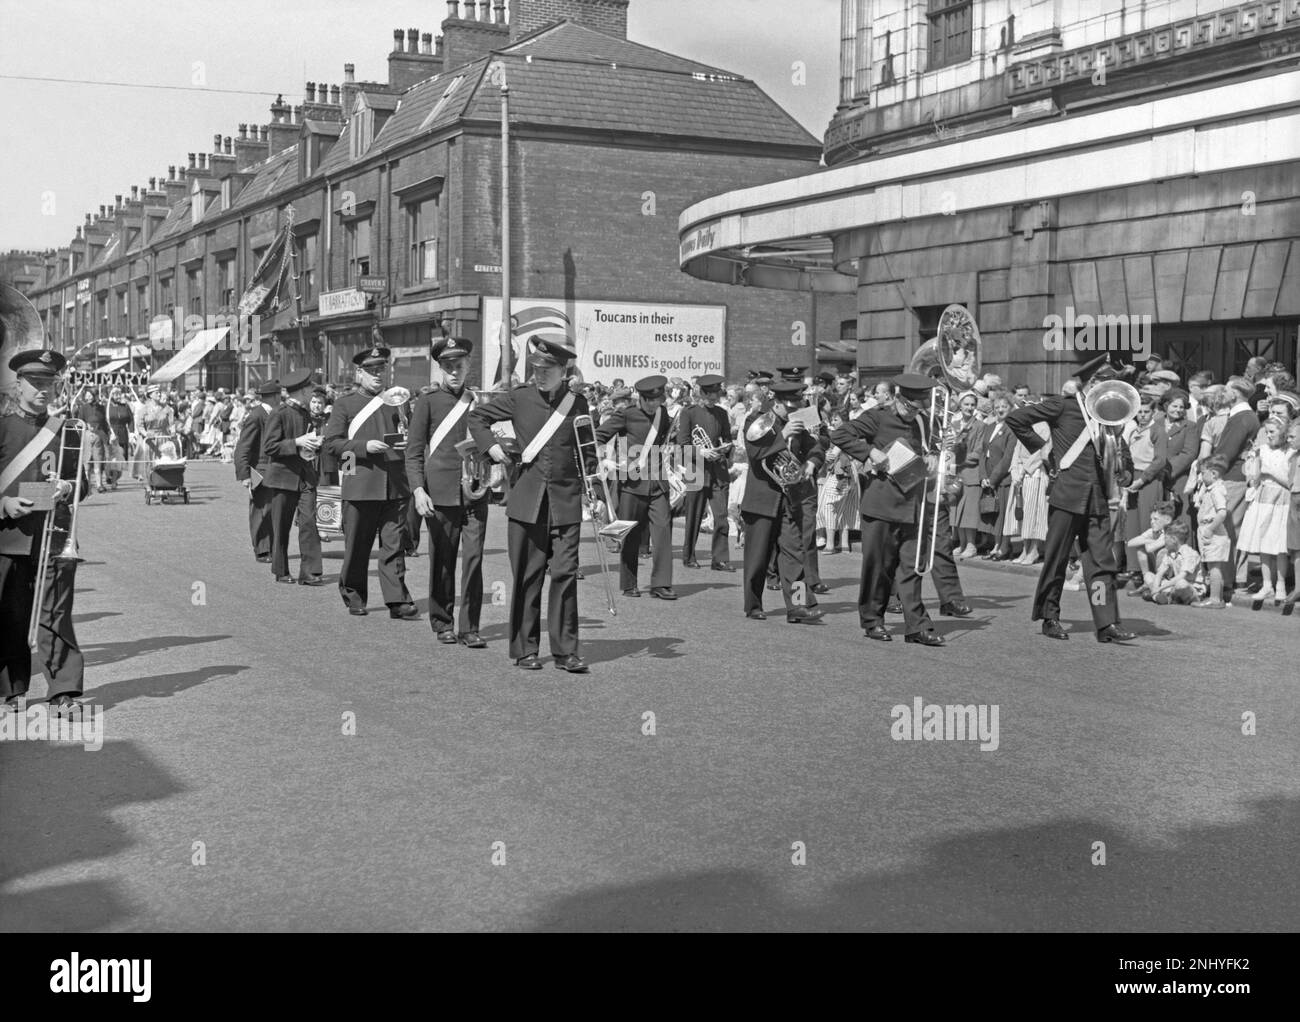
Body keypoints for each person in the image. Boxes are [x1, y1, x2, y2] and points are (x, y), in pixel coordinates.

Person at [468, 338, 591, 672]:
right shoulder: (520, 397)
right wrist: (491, 449)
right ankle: (525, 649)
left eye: (547, 370)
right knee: (527, 576)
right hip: (527, 502)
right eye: (536, 369)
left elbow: (586, 450)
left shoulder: (578, 404)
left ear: (564, 370)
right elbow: (477, 418)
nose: (539, 375)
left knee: (565, 575)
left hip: (565, 503)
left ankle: (566, 651)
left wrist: (593, 484)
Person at [1004, 355, 1137, 643]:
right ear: (1090, 383)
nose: (1107, 389)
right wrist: (1045, 451)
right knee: (1056, 560)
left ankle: (1106, 624)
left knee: (1102, 564)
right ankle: (1049, 616)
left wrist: (1126, 471)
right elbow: (1016, 419)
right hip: (1067, 495)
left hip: (1097, 498)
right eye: (1102, 382)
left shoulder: (1108, 413)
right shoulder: (1063, 406)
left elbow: (1119, 447)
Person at [831, 373, 947, 645]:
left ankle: (916, 626)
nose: (913, 413)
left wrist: (932, 458)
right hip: (881, 504)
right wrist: (870, 452)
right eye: (910, 407)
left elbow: (932, 449)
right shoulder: (877, 416)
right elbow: (840, 434)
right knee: (878, 568)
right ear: (898, 399)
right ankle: (872, 620)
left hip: (911, 504)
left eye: (919, 408)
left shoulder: (921, 421)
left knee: (910, 568)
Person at [0, 350, 85, 713]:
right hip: (9, 535)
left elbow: (80, 483)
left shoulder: (67, 429)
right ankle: (11, 689)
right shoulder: (3, 428)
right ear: (17, 385)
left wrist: (66, 489)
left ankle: (62, 692)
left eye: (49, 383)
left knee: (56, 615)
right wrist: (3, 503)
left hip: (55, 535)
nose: (43, 390)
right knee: (8, 613)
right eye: (35, 383)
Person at [322, 345, 418, 619]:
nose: (378, 375)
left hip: (396, 485)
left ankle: (397, 600)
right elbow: (333, 445)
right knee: (357, 546)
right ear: (359, 373)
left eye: (382, 369)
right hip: (361, 483)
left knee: (393, 546)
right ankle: (354, 594)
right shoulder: (345, 404)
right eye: (372, 370)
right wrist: (364, 447)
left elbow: (408, 435)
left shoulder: (399, 401)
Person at [406, 336, 489, 649]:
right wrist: (417, 490)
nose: (455, 371)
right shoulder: (427, 402)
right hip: (440, 494)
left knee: (474, 560)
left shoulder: (477, 402)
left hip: (475, 491)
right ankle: (443, 621)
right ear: (440, 368)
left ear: (468, 365)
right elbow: (414, 451)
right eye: (448, 366)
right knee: (442, 560)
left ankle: (470, 627)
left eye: (460, 365)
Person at [739, 379, 824, 624]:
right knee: (757, 557)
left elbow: (816, 447)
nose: (794, 410)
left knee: (793, 556)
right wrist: (782, 436)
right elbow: (755, 454)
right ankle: (753, 604)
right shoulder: (755, 421)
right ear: (777, 403)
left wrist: (811, 462)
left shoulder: (797, 422)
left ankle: (797, 606)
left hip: (790, 498)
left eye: (797, 404)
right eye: (790, 405)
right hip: (762, 499)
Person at [595, 374, 676, 600]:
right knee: (629, 535)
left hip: (658, 483)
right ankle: (629, 583)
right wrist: (605, 459)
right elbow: (599, 436)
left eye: (657, 400)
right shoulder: (627, 414)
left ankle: (661, 584)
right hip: (631, 483)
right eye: (649, 401)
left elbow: (664, 440)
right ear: (640, 398)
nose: (653, 405)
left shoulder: (663, 414)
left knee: (663, 531)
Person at [260, 368, 324, 586]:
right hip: (282, 477)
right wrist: (296, 443)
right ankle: (281, 569)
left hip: (305, 476)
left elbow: (305, 444)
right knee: (282, 525)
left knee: (309, 522)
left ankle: (310, 572)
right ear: (302, 391)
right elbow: (269, 446)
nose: (312, 395)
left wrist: (314, 445)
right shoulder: (279, 413)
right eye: (309, 390)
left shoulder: (305, 413)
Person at [676, 373, 734, 571]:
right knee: (693, 515)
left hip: (718, 470)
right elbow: (682, 445)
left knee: (721, 516)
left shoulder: (722, 413)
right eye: (709, 394)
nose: (713, 398)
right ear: (701, 393)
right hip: (696, 469)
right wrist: (701, 451)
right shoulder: (688, 412)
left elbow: (727, 438)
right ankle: (689, 555)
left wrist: (725, 448)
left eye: (716, 394)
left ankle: (720, 559)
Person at [1238, 417, 1295, 607]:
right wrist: (1252, 467)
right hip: (1263, 499)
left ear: (1283, 433)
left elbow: (1290, 481)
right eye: (1267, 431)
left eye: (1273, 432)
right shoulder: (1261, 450)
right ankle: (1267, 583)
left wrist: (1269, 472)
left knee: (1279, 544)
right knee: (1263, 542)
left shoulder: (1291, 453)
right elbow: (1253, 477)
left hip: (1282, 500)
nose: (1268, 435)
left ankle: (1280, 584)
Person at [233, 379, 279, 564]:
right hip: (259, 471)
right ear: (274, 396)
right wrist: (244, 474)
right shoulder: (256, 416)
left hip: (274, 470)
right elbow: (243, 447)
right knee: (260, 511)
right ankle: (261, 549)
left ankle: (272, 547)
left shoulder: (274, 413)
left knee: (273, 511)